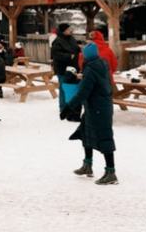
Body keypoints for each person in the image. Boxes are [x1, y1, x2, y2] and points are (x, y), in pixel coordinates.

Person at [60, 43, 117, 185]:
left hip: (99, 108)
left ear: (86, 56)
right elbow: (94, 82)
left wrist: (68, 108)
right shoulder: (100, 64)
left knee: (104, 138)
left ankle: (111, 172)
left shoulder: (91, 69)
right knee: (85, 133)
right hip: (96, 106)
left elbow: (83, 92)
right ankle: (87, 165)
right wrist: (83, 77)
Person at [51, 23, 81, 112]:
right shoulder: (57, 41)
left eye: (70, 29)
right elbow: (56, 55)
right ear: (63, 31)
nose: (70, 30)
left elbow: (76, 49)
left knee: (72, 88)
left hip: (74, 68)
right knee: (63, 88)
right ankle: (63, 108)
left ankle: (71, 106)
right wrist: (68, 56)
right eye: (68, 29)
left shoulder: (72, 39)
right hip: (62, 69)